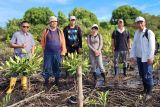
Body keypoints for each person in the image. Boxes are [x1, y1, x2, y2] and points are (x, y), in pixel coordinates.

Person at [130, 16, 155, 100]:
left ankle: (149, 93)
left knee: (148, 74)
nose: (140, 24)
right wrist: (132, 56)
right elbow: (134, 45)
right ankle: (145, 89)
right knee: (142, 74)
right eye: (138, 23)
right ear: (136, 24)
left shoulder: (149, 32)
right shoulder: (136, 33)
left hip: (147, 58)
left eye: (141, 22)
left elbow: (152, 46)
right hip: (139, 57)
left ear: (144, 23)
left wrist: (151, 57)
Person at [6, 21, 35, 94]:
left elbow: (33, 45)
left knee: (25, 72)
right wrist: (20, 46)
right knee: (15, 72)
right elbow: (11, 45)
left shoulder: (30, 35)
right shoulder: (16, 34)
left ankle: (24, 87)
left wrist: (32, 55)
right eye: (24, 26)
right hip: (18, 56)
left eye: (27, 27)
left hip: (27, 56)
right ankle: (11, 88)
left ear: (29, 28)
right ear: (21, 27)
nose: (25, 28)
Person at [41, 16, 66, 87]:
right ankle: (46, 81)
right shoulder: (46, 31)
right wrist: (43, 51)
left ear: (57, 22)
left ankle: (56, 81)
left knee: (57, 67)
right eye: (52, 21)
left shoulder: (60, 31)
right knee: (47, 67)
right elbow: (42, 42)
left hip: (57, 53)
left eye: (55, 21)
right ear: (50, 23)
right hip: (48, 53)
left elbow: (63, 42)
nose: (54, 23)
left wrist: (63, 51)